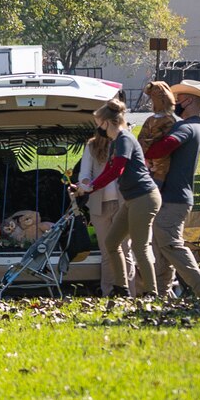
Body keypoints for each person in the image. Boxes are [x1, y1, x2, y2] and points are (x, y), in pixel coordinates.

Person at [70, 99, 161, 295]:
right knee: (111, 243)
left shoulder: (124, 139)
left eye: (99, 124)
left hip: (144, 197)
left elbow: (117, 170)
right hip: (132, 200)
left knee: (139, 247)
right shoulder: (114, 143)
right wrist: (86, 189)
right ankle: (121, 288)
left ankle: (152, 294)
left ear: (108, 122)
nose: (98, 129)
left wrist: (91, 187)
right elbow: (107, 172)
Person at [144, 79, 200, 299]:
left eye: (178, 99)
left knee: (170, 244)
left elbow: (162, 148)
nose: (174, 102)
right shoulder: (189, 126)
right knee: (160, 250)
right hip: (169, 196)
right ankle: (161, 296)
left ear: (188, 101)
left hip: (175, 198)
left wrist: (145, 149)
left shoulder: (188, 127)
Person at [74, 116, 132, 296]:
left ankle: (129, 292)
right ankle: (109, 293)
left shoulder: (124, 142)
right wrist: (84, 184)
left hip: (123, 203)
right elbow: (85, 173)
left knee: (125, 250)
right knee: (107, 252)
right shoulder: (92, 146)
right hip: (99, 206)